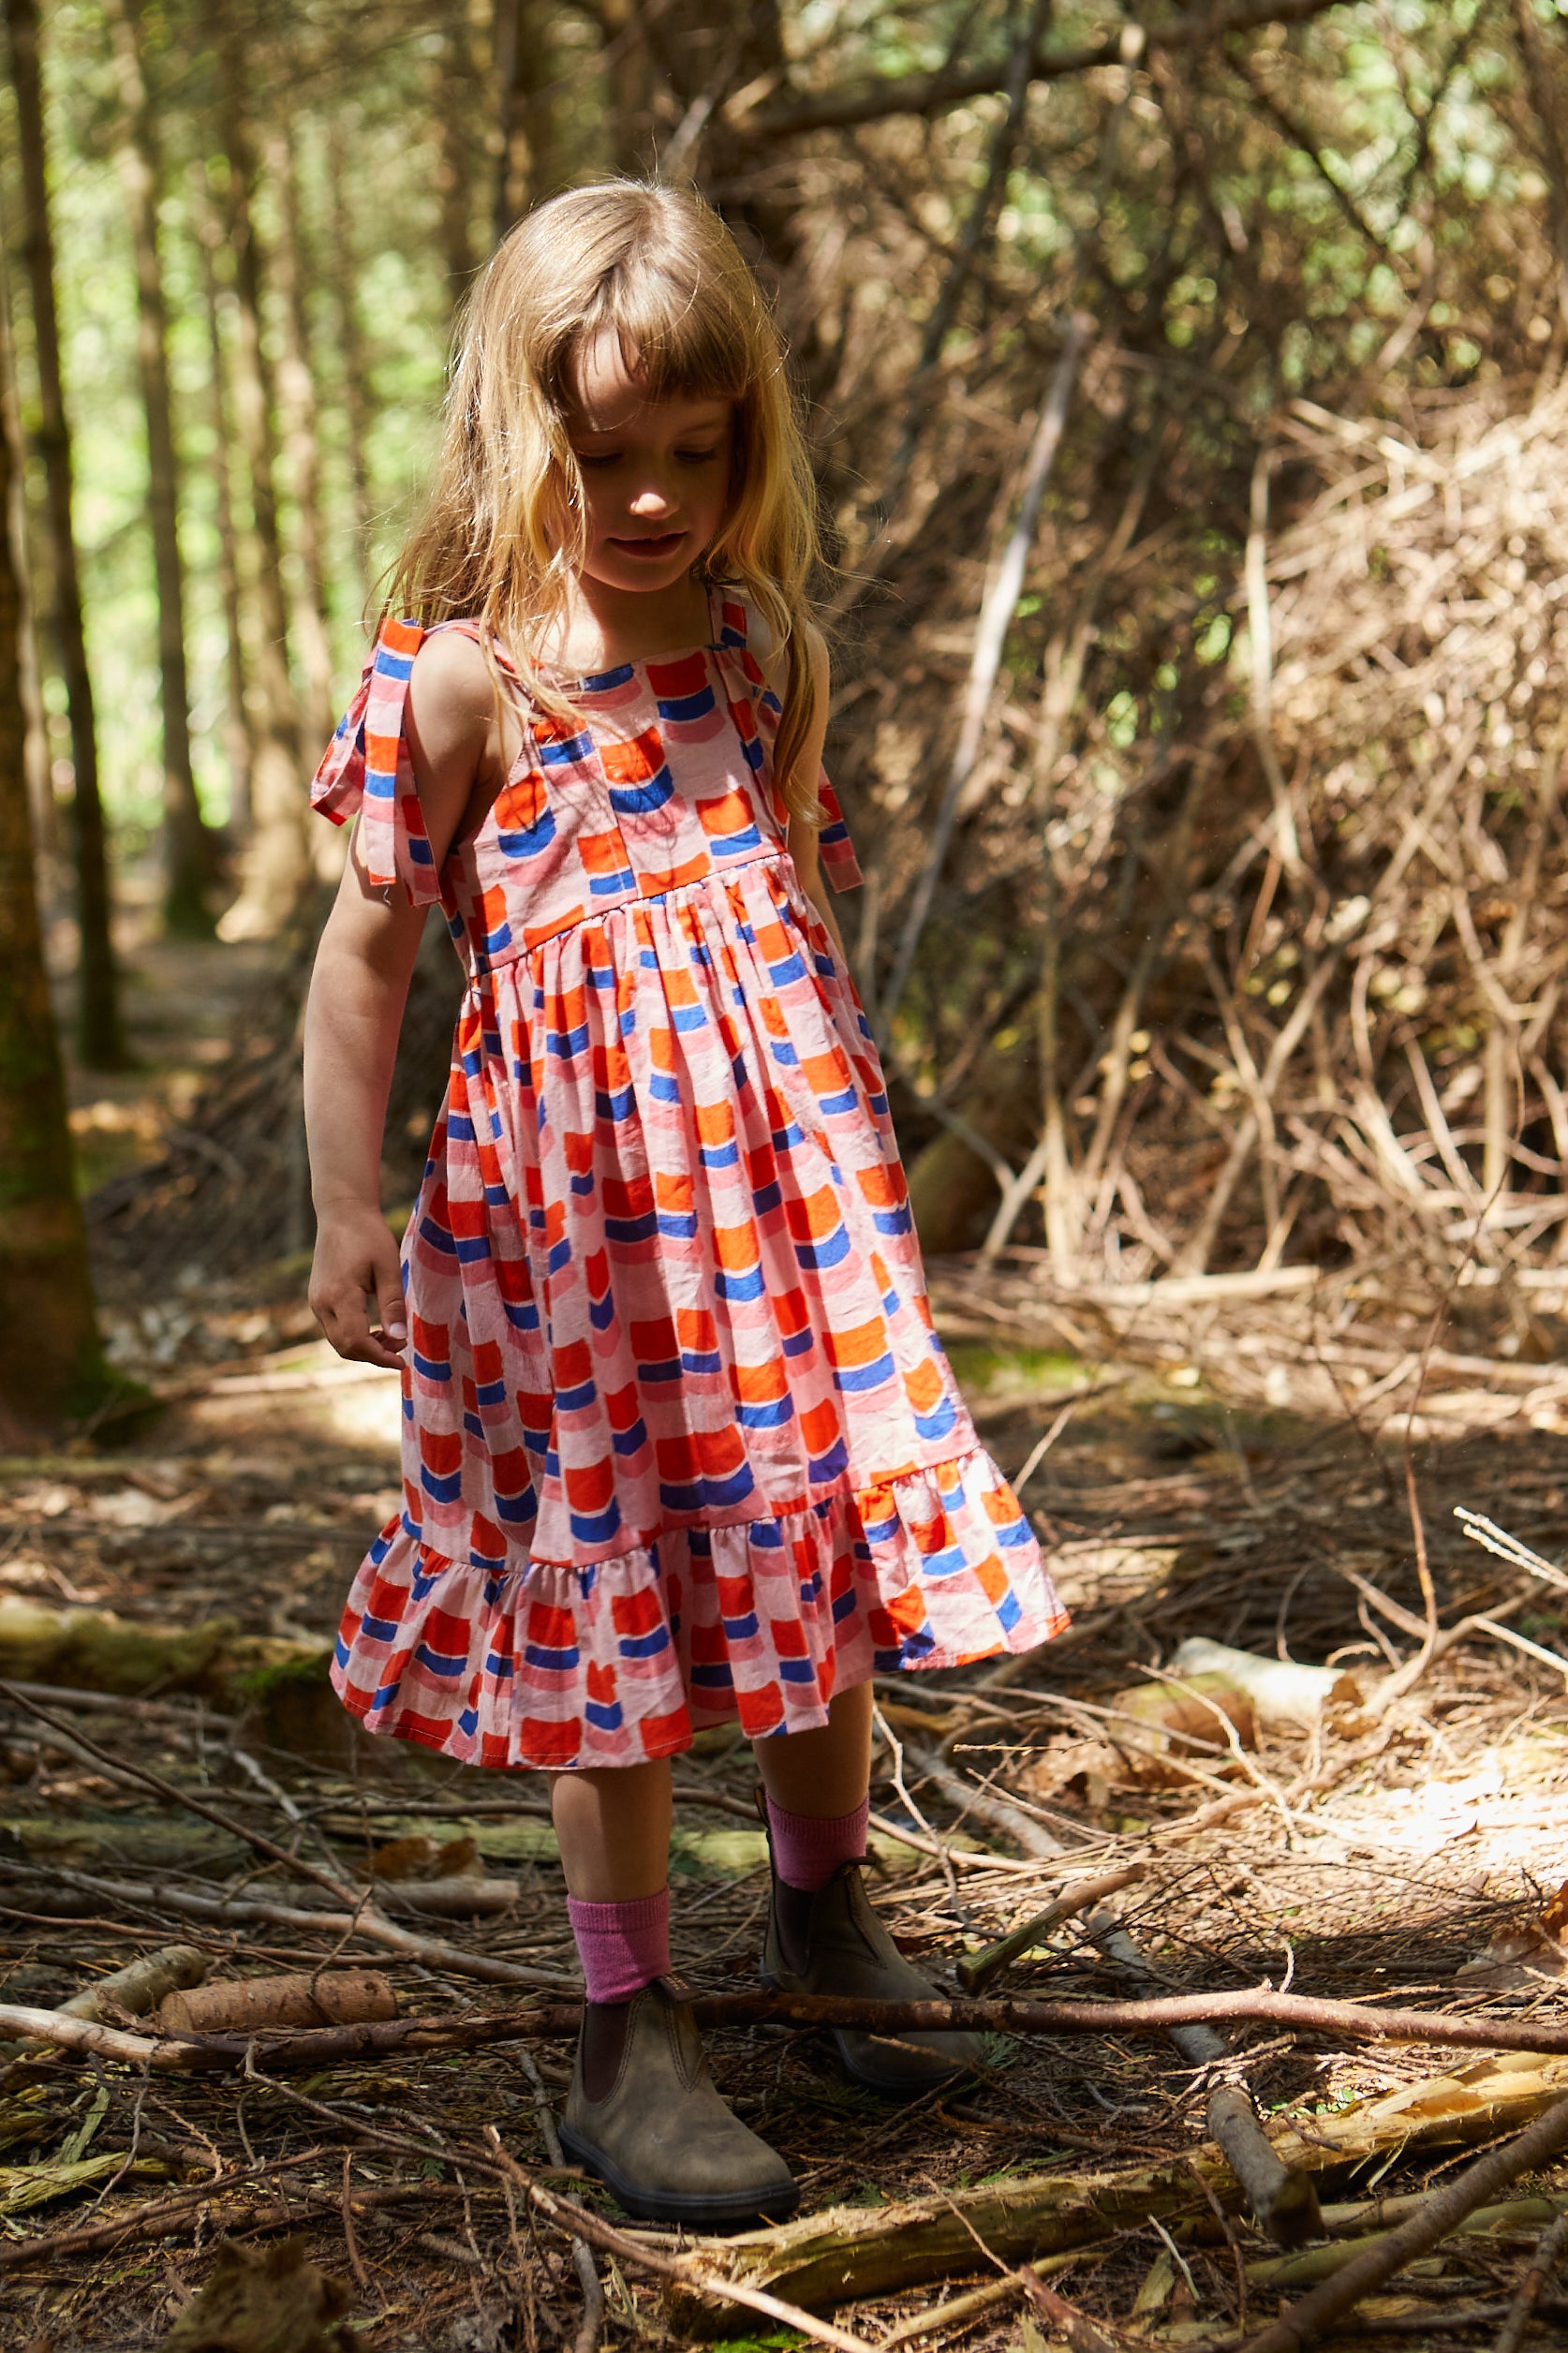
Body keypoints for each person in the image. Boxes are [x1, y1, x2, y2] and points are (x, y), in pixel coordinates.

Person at [303, 179, 1067, 2227]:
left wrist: (843, 1141)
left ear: (748, 442)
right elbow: (363, 965)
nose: (648, 499)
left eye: (693, 454)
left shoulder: (755, 643)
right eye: (604, 456)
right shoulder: (462, 685)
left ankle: (827, 1929)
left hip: (775, 1216)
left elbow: (791, 900)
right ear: (520, 436)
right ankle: (627, 2029)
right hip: (572, 1241)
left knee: (809, 1557)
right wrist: (343, 1212)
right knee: (613, 1599)